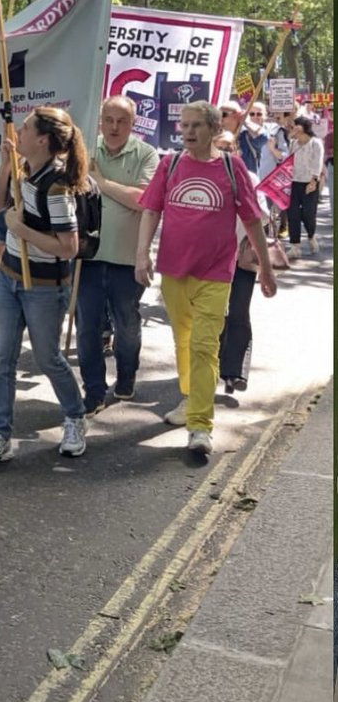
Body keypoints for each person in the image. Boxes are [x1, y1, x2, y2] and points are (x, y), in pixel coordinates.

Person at [135, 101, 276, 458]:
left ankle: (200, 424)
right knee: (183, 340)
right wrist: (142, 255)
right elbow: (151, 209)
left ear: (215, 130)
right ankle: (189, 397)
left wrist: (266, 268)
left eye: (197, 125)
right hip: (173, 269)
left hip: (216, 271)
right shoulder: (171, 164)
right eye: (185, 125)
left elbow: (253, 219)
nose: (188, 132)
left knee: (203, 345)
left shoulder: (232, 167)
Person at [0, 107, 91, 466]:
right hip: (9, 277)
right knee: (1, 359)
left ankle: (75, 416)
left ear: (43, 139)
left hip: (43, 287)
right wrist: (6, 165)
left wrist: (22, 232)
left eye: (24, 129)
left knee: (47, 358)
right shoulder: (24, 171)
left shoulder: (57, 186)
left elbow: (68, 247)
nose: (16, 133)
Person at [76, 96, 159, 412]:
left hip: (127, 259)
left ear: (132, 123)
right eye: (108, 119)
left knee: (126, 326)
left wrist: (101, 182)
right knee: (88, 328)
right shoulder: (85, 150)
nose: (114, 127)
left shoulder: (145, 154)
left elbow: (143, 200)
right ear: (100, 120)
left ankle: (126, 375)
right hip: (87, 258)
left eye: (121, 121)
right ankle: (94, 390)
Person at [213, 131, 270, 393]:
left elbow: (263, 217)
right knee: (214, 313)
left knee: (237, 311)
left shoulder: (250, 178)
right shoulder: (204, 177)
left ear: (237, 151)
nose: (225, 151)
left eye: (230, 147)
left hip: (240, 260)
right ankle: (212, 364)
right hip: (209, 259)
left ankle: (235, 371)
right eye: (220, 147)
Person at [285, 115, 325, 259]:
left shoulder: (316, 143)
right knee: (293, 214)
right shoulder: (293, 143)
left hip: (310, 182)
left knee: (308, 213)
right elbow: (287, 161)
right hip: (294, 182)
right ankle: (295, 245)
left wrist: (314, 181)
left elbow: (317, 162)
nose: (294, 128)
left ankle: (311, 234)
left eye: (297, 125)